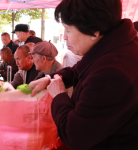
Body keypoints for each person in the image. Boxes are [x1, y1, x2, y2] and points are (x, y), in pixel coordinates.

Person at [29, 0, 138, 149]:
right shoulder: (114, 45)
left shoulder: (112, 73)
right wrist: (49, 78)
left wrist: (59, 95)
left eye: (68, 30)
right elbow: (78, 69)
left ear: (94, 30)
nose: (65, 37)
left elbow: (74, 135)